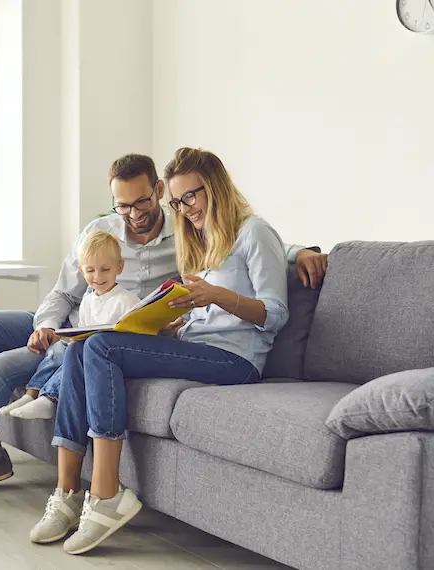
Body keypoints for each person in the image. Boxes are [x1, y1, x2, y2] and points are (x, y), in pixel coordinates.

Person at [0, 153, 327, 522]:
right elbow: (61, 291)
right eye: (122, 204)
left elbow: (242, 240)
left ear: (157, 192)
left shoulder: (182, 234)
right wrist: (43, 329)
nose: (134, 213)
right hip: (71, 319)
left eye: (143, 201)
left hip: (107, 330)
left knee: (3, 368)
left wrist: (300, 249)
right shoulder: (101, 229)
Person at [29, 147, 289, 555]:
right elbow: (201, 315)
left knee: (102, 348)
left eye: (191, 196)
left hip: (236, 360)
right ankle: (66, 491)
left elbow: (275, 314)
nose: (184, 209)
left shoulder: (254, 232)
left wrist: (217, 295)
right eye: (178, 201)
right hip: (195, 345)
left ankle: (106, 491)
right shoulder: (203, 239)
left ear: (216, 187)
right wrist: (175, 319)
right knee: (82, 347)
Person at [0, 230, 140, 420]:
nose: (98, 276)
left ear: (119, 267)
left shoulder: (127, 300)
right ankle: (30, 394)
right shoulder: (88, 301)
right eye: (90, 270)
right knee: (59, 349)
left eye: (105, 269)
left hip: (106, 355)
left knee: (75, 355)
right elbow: (82, 329)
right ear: (82, 270)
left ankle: (49, 399)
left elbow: (135, 335)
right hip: (85, 347)